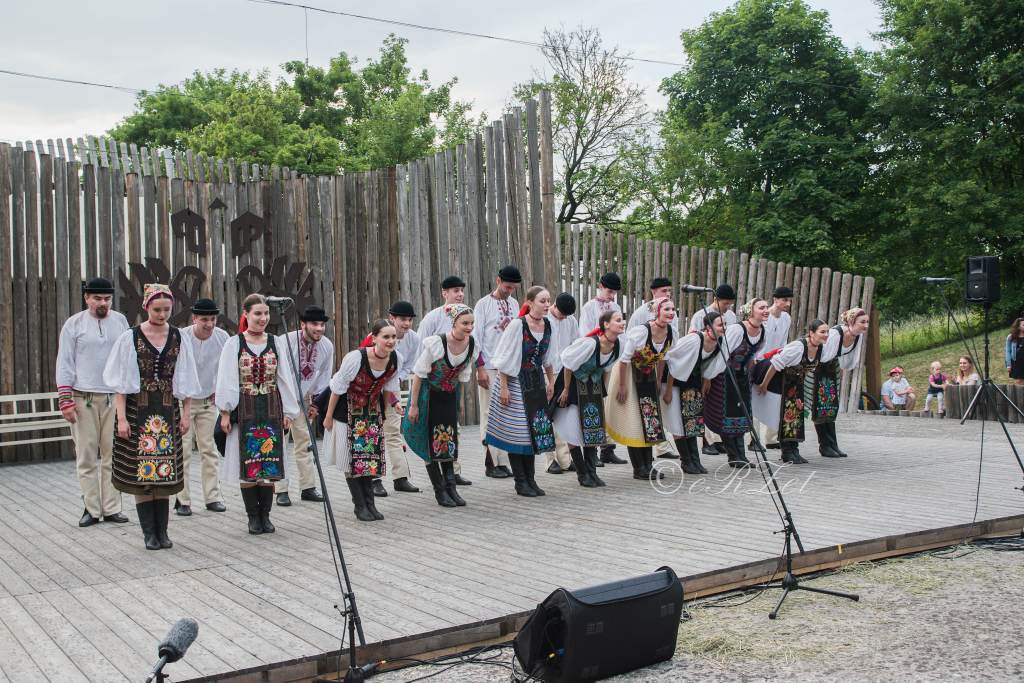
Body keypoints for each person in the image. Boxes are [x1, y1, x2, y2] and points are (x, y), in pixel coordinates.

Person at [104, 284, 202, 550]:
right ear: (146, 307)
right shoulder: (131, 337)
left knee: (164, 471)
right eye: (157, 309)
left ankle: (163, 531)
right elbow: (121, 384)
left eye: (167, 310)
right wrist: (121, 418)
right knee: (142, 474)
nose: (162, 314)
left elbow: (186, 379)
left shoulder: (178, 337)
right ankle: (149, 533)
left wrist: (185, 414)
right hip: (138, 411)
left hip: (167, 411)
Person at [216, 294, 301, 535]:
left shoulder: (275, 342)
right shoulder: (234, 343)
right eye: (257, 314)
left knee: (268, 465)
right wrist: (225, 412)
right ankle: (253, 517)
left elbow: (284, 378)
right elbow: (226, 378)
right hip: (245, 409)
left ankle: (266, 515)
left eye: (266, 313)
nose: (263, 318)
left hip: (271, 407)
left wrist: (289, 411)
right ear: (246, 314)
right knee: (249, 465)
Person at [56, 277, 131, 527]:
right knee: (86, 455)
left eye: (107, 299)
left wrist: (128, 396)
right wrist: (65, 399)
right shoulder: (74, 324)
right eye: (97, 298)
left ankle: (112, 508)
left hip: (113, 397)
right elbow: (65, 361)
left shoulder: (120, 321)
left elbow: (127, 359)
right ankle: (91, 508)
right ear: (87, 298)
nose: (103, 303)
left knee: (113, 454)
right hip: (83, 397)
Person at [323, 320, 401, 521]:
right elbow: (337, 388)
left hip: (372, 412)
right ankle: (360, 506)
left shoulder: (395, 359)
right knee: (352, 460)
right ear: (374, 338)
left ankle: (370, 504)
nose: (391, 341)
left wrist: (387, 411)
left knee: (369, 459)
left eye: (393, 336)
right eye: (386, 337)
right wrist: (328, 417)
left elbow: (389, 387)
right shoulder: (356, 358)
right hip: (347, 410)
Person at [402, 304, 479, 507]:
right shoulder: (437, 343)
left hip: (449, 396)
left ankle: (451, 487)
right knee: (429, 441)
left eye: (471, 323)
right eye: (465, 323)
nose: (469, 327)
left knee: (447, 440)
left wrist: (458, 404)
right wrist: (414, 405)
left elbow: (462, 378)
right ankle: (439, 490)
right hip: (428, 396)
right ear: (454, 323)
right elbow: (419, 374)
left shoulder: (472, 345)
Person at [485, 286, 557, 497]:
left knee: (533, 431)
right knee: (518, 434)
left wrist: (551, 382)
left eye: (548, 301)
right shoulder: (518, 325)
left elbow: (548, 358)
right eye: (542, 301)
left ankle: (531, 480)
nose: (546, 305)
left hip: (535, 383)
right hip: (514, 382)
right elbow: (504, 357)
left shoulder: (548, 325)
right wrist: (504, 387)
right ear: (530, 302)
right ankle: (520, 481)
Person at [552, 310, 625, 487]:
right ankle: (582, 473)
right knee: (573, 428)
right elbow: (568, 364)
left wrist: (602, 393)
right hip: (574, 385)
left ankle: (592, 473)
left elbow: (607, 369)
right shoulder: (590, 344)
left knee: (593, 428)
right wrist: (566, 390)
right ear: (606, 324)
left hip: (594, 387)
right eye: (618, 320)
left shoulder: (619, 345)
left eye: (623, 320)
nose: (622, 322)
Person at [607, 297, 676, 480]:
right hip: (629, 375)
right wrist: (622, 386)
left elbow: (663, 358)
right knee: (635, 420)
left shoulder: (671, 332)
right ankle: (639, 468)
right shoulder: (642, 332)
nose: (671, 313)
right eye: (666, 309)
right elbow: (624, 360)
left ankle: (648, 465)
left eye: (672, 309)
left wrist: (658, 379)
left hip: (649, 375)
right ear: (657, 311)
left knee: (650, 420)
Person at [361, 301, 423, 497]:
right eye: (402, 319)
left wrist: (395, 381)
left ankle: (401, 477)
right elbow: (364, 362)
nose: (406, 324)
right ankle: (374, 479)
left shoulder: (413, 339)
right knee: (372, 434)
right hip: (370, 390)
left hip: (392, 387)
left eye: (410, 320)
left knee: (394, 432)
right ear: (392, 318)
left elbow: (409, 365)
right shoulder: (375, 337)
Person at [416, 275, 473, 486]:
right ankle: (437, 478)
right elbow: (421, 350)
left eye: (461, 290)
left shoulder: (466, 316)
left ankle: (453, 471)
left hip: (451, 382)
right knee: (430, 429)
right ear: (444, 293)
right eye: (455, 290)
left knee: (451, 428)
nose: (460, 294)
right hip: (431, 381)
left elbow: (469, 348)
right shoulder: (432, 318)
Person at [175, 298, 230, 516]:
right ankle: (182, 499)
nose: (209, 324)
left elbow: (227, 369)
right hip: (184, 401)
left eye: (213, 319)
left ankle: (213, 497)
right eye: (204, 319)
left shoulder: (222, 337)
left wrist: (221, 394)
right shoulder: (182, 337)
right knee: (183, 450)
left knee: (209, 449)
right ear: (194, 318)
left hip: (209, 400)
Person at [274, 305, 332, 507]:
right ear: (303, 324)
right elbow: (277, 373)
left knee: (305, 443)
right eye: (314, 324)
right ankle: (281, 489)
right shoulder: (285, 341)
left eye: (322, 324)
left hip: (303, 398)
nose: (319, 328)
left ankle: (308, 487)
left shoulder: (326, 346)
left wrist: (316, 403)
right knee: (280, 444)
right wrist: (282, 402)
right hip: (280, 397)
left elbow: (324, 376)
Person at [753, 319, 831, 464]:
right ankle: (787, 452)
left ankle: (794, 450)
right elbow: (775, 364)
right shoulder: (798, 347)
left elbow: (807, 368)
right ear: (811, 333)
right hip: (780, 381)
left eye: (827, 332)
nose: (826, 335)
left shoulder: (821, 349)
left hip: (795, 384)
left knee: (795, 417)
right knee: (785, 416)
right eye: (822, 332)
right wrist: (764, 385)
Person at [703, 300, 767, 469]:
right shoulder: (737, 330)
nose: (765, 310)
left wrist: (750, 376)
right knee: (727, 416)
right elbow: (722, 353)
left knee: (741, 415)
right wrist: (708, 377)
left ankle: (741, 455)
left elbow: (753, 356)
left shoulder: (762, 331)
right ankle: (734, 456)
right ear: (750, 311)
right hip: (724, 375)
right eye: (761, 307)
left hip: (743, 377)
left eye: (766, 307)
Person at [473, 265, 522, 479]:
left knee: (506, 413)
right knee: (489, 412)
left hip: (509, 367)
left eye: (513, 287)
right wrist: (480, 368)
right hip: (490, 365)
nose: (509, 290)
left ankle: (502, 461)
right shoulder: (483, 305)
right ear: (498, 281)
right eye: (507, 286)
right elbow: (476, 338)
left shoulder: (514, 304)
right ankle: (490, 461)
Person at [664, 311, 726, 474]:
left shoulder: (719, 342)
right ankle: (686, 461)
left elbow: (710, 365)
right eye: (720, 324)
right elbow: (672, 361)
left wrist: (706, 380)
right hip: (674, 382)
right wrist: (668, 390)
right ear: (708, 327)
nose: (724, 327)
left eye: (725, 324)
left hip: (692, 383)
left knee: (692, 422)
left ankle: (695, 461)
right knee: (678, 422)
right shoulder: (694, 340)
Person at [577, 272, 628, 467]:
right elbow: (585, 333)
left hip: (611, 358)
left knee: (607, 403)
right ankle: (592, 450)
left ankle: (608, 448)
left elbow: (621, 331)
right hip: (593, 360)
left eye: (614, 292)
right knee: (593, 404)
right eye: (609, 291)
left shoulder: (616, 307)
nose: (611, 295)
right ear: (600, 286)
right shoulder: (589, 307)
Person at [813, 308, 870, 457]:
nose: (866, 325)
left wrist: (839, 374)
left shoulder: (858, 336)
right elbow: (821, 355)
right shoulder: (835, 334)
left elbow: (848, 361)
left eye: (867, 322)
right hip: (816, 367)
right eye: (862, 322)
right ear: (851, 322)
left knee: (831, 406)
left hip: (830, 369)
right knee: (820, 406)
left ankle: (832, 444)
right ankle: (824, 445)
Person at [754, 286, 794, 450]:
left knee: (775, 397)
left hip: (777, 361)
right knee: (757, 397)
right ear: (775, 300)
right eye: (785, 300)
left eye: (789, 300)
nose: (788, 304)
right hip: (760, 360)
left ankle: (771, 438)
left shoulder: (786, 318)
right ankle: (754, 439)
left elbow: (784, 341)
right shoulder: (765, 317)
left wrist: (782, 357)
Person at [544, 292, 580, 474]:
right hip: (546, 370)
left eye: (567, 315)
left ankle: (565, 459)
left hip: (564, 371)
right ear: (555, 306)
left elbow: (575, 344)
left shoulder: (570, 321)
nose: (564, 317)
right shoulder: (544, 319)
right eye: (562, 313)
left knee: (562, 414)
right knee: (546, 415)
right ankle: (550, 460)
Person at [1006, 318, 1024, 384]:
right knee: (1019, 383)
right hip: (1017, 364)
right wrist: (1009, 365)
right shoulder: (1011, 337)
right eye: (1023, 325)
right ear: (1018, 327)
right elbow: (1008, 351)